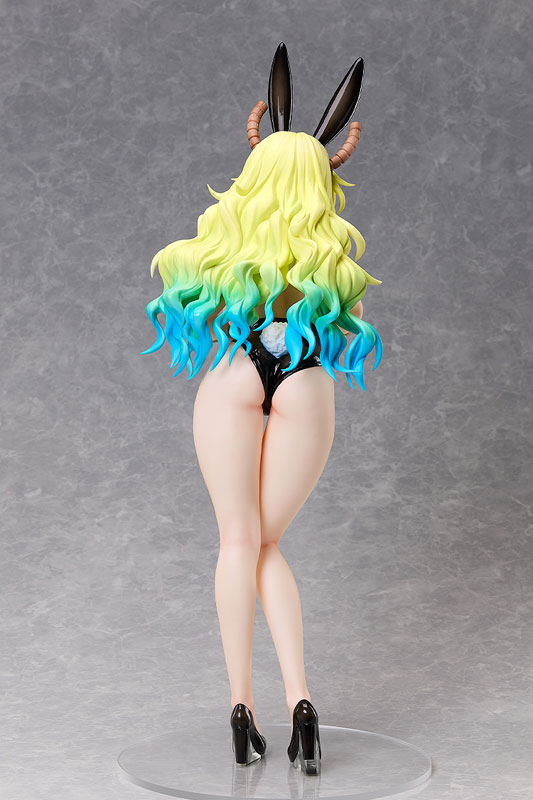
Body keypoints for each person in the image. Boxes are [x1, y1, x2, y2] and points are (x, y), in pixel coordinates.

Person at [141, 43, 382, 775]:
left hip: (236, 370)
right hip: (305, 377)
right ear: (318, 179)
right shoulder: (329, 247)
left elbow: (200, 300)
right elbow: (343, 320)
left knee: (237, 543)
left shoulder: (230, 233)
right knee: (266, 545)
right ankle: (302, 704)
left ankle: (240, 707)